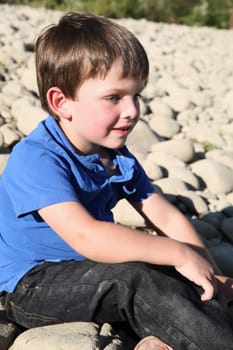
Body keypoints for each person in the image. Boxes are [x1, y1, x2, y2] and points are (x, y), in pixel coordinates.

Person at [0, 12, 233, 350]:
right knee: (137, 280)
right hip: (31, 284)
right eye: (114, 98)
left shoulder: (117, 156)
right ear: (61, 102)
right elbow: (86, 236)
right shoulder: (37, 158)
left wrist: (210, 270)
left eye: (136, 95)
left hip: (90, 270)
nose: (133, 110)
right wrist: (177, 253)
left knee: (180, 274)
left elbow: (164, 216)